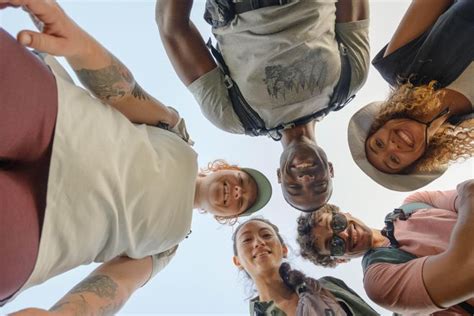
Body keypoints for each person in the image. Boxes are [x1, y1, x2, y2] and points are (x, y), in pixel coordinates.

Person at [0, 0, 273, 313]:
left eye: (243, 201)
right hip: (53, 116)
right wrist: (79, 44)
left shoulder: (167, 247)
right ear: (225, 169)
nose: (238, 191)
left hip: (42, 235)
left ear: (226, 216)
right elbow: (127, 94)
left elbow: (119, 283)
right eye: (242, 181)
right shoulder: (177, 133)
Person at [156, 0, 370, 211]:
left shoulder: (234, 117)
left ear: (279, 175)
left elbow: (174, 30)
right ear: (330, 169)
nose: (305, 178)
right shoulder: (350, 81)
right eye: (319, 185)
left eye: (295, 187)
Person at [348, 0, 474, 191]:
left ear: (379, 124)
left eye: (378, 143)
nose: (392, 146)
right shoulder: (470, 122)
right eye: (394, 160)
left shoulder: (398, 65)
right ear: (419, 161)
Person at [296, 179, 474, 315]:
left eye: (336, 222)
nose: (343, 234)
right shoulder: (378, 281)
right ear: (341, 259)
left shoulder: (415, 203)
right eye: (333, 244)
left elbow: (471, 188)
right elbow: (466, 271)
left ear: (345, 213)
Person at [232, 218, 379, 315]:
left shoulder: (329, 286)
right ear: (237, 261)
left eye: (266, 235)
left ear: (284, 249)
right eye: (246, 240)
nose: (259, 242)